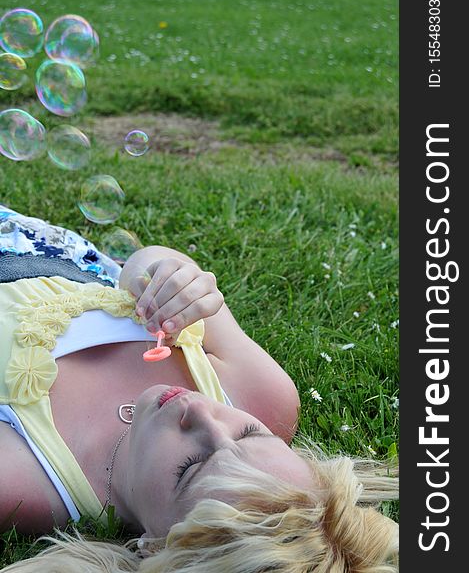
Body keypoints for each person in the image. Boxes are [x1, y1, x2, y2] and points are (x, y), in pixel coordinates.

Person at [0, 205, 399, 572]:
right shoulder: (262, 397)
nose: (202, 412)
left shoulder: (26, 481)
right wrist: (173, 276)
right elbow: (143, 262)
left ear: (154, 546)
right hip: (34, 240)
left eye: (189, 469)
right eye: (250, 432)